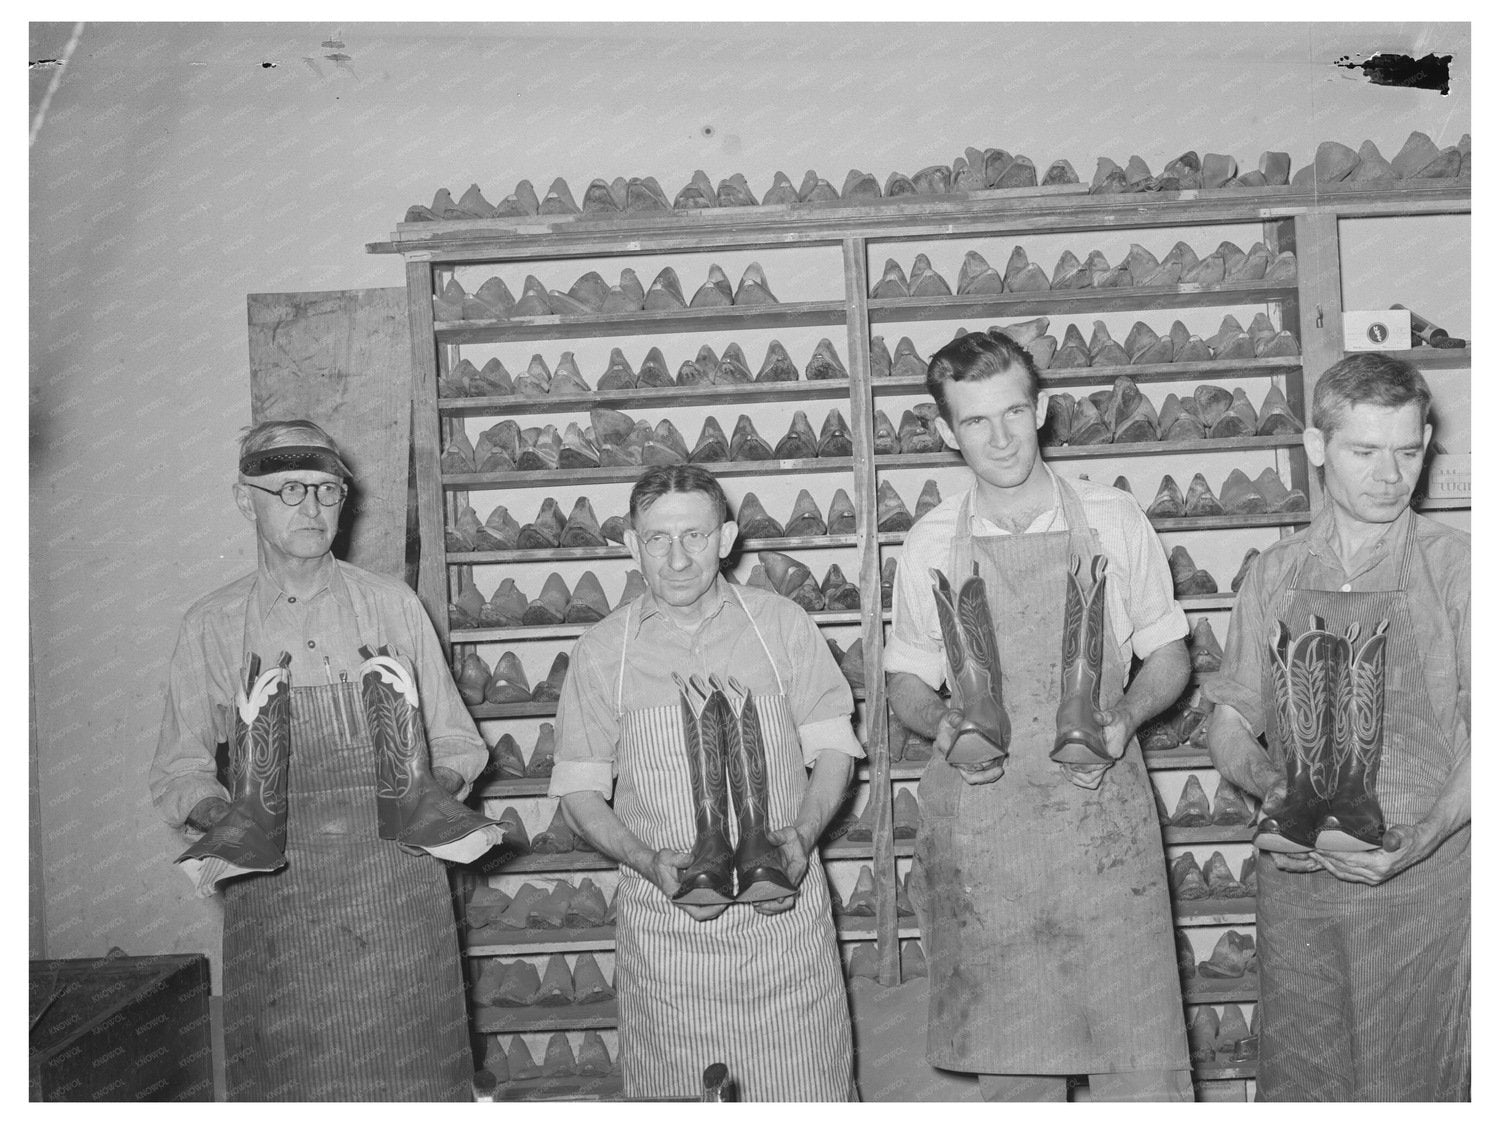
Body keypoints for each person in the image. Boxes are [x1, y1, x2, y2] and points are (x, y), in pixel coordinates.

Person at [885, 328, 1193, 1102]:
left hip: (1102, 828)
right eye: (976, 421)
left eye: (1013, 413)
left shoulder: (1114, 518)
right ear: (947, 433)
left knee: (1142, 1072)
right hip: (991, 838)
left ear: (1042, 409)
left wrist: (1127, 716)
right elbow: (907, 681)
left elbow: (1168, 656)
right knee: (1016, 1081)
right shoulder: (929, 543)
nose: (1000, 438)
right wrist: (941, 723)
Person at [149, 419, 494, 1101]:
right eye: (289, 490)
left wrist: (429, 791)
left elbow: (458, 742)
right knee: (291, 1083)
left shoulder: (393, 605)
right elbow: (178, 771)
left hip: (397, 892)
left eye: (326, 491)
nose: (311, 507)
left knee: (414, 1080)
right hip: (277, 900)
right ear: (245, 500)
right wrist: (231, 817)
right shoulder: (213, 624)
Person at [1205, 353, 1470, 1100]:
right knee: (1307, 1084)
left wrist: (1420, 841)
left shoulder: (1462, 571)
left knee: (1418, 1084)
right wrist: (1272, 785)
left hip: (1422, 885)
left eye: (1408, 452)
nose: (1391, 476)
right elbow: (1231, 720)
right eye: (1365, 452)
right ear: (1317, 446)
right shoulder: (1274, 571)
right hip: (1299, 890)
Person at [551, 464, 859, 1100]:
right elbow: (579, 791)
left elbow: (834, 749)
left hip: (786, 935)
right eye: (657, 539)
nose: (677, 559)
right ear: (632, 545)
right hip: (669, 945)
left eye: (694, 536)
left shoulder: (782, 626)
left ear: (726, 538)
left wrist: (803, 837)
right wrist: (645, 860)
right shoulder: (603, 651)